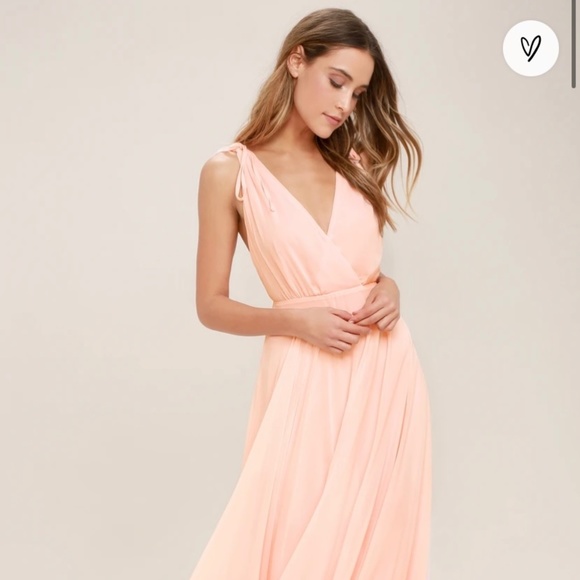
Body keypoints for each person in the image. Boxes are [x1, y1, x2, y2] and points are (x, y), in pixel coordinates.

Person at [191, 7, 431, 579]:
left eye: (358, 93)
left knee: (376, 550)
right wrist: (298, 322)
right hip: (304, 370)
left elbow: (360, 269)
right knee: (291, 538)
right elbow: (210, 306)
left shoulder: (356, 162)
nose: (346, 104)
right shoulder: (231, 172)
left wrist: (391, 288)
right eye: (337, 81)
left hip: (385, 369)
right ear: (297, 61)